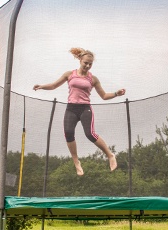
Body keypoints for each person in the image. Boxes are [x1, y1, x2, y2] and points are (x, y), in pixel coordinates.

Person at [33, 47, 126, 176]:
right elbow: (54, 85)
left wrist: (116, 93)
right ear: (80, 60)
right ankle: (76, 162)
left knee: (90, 134)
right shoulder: (69, 74)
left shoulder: (93, 79)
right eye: (85, 63)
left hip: (85, 108)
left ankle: (110, 155)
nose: (88, 66)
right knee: (68, 132)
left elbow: (104, 96)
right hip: (71, 108)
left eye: (90, 64)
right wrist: (42, 86)